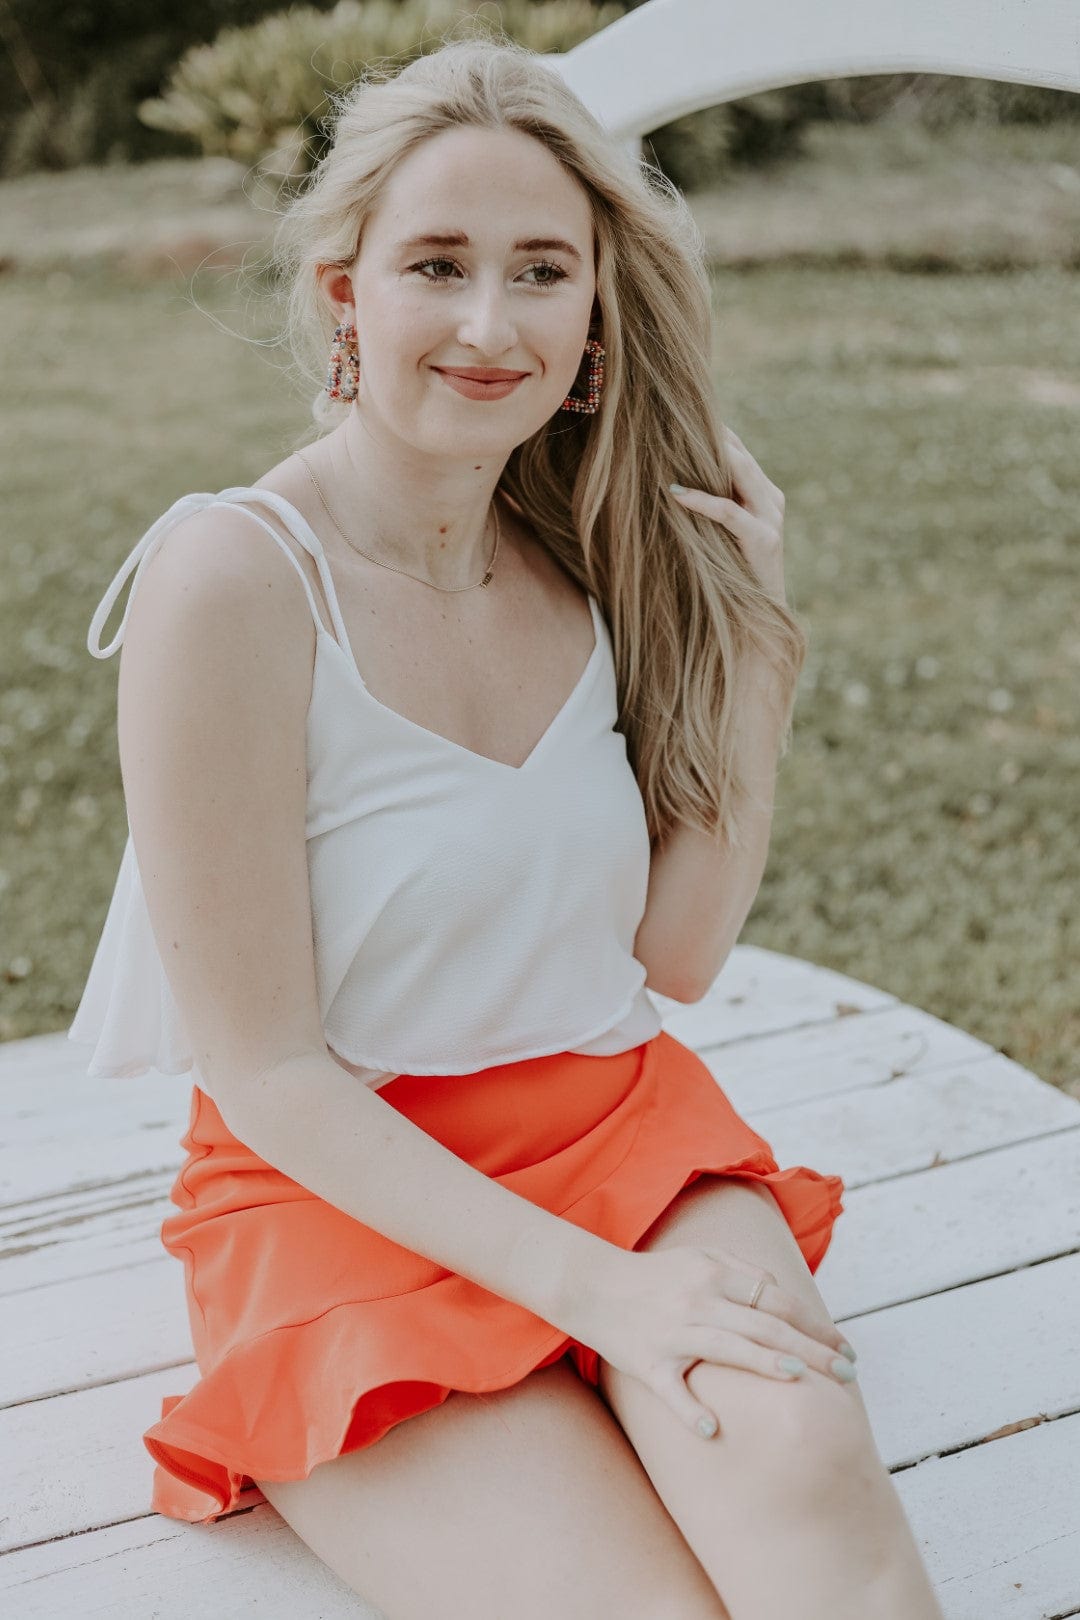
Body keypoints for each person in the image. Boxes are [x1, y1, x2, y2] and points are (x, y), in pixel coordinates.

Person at [68, 26, 945, 1620]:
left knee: (828, 1537)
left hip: (624, 1139)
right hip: (345, 1198)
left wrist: (756, 665)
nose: (489, 322)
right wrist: (603, 1300)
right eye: (438, 264)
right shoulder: (237, 580)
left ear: (597, 316)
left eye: (542, 270)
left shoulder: (585, 562)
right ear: (349, 295)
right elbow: (265, 1071)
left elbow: (669, 959)